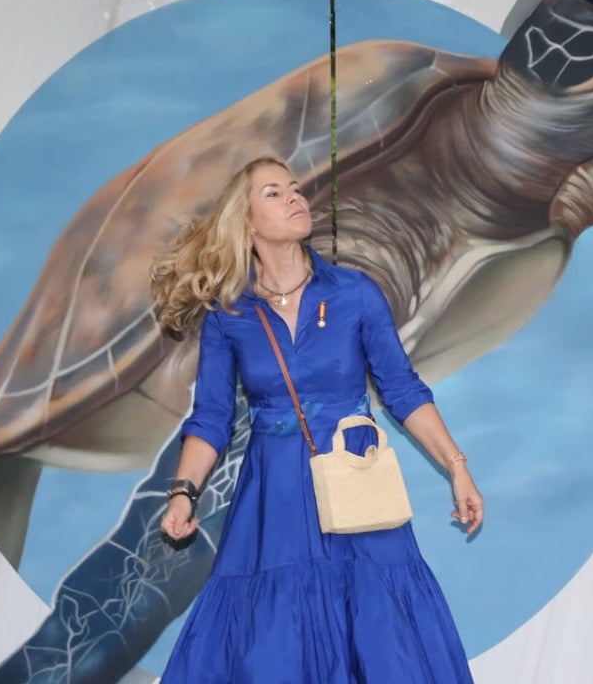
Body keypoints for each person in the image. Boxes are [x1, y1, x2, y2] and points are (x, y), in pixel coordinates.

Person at [151, 155, 482, 684]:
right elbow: (211, 418)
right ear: (248, 223)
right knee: (273, 645)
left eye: (295, 188)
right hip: (273, 498)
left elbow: (401, 389)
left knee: (382, 636)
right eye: (274, 193)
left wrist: (457, 466)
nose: (294, 198)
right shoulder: (228, 314)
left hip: (356, 481)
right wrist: (182, 492)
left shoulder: (354, 293)